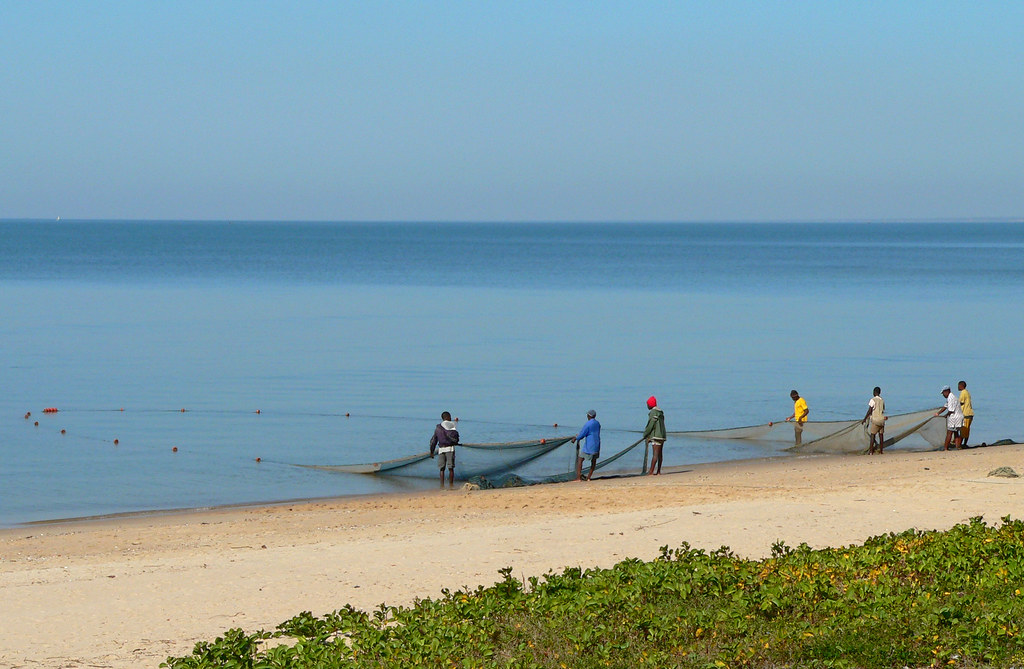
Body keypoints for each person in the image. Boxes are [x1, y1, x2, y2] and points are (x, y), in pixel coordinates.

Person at [429, 411, 460, 488]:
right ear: (448, 417)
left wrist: (432, 452)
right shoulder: (451, 424)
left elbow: (433, 441)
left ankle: (442, 486)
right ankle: (451, 485)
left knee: (442, 469)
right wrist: (456, 421)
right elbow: (455, 434)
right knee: (451, 468)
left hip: (441, 449)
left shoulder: (438, 427)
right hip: (450, 449)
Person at [570, 409, 601, 481]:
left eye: (587, 415)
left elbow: (582, 435)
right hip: (597, 445)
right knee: (593, 461)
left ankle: (578, 478)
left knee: (580, 459)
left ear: (589, 416)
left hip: (589, 446)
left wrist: (575, 438)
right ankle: (589, 477)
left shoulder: (588, 424)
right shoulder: (597, 423)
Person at [642, 396, 666, 475]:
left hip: (656, 436)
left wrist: (645, 434)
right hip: (662, 435)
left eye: (648, 404)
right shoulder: (660, 412)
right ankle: (658, 471)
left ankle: (651, 471)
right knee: (660, 455)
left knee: (655, 454)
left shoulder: (653, 412)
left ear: (651, 405)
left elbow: (651, 425)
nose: (647, 406)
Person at [935, 385, 963, 450]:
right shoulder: (951, 397)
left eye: (943, 393)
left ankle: (945, 448)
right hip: (958, 417)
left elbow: (951, 410)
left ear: (947, 391)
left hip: (954, 417)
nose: (943, 395)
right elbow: (945, 407)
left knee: (949, 432)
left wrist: (946, 415)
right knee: (956, 432)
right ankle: (957, 447)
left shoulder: (950, 398)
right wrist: (938, 413)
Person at [861, 387, 888, 454]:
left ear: (874, 392)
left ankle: (871, 451)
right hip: (882, 420)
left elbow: (870, 410)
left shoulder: (873, 400)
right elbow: (882, 410)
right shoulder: (882, 400)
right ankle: (881, 451)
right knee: (881, 435)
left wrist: (864, 419)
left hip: (875, 420)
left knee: (873, 435)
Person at [958, 381, 974, 447]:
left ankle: (959, 445)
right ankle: (964, 444)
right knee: (967, 430)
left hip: (966, 414)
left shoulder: (963, 393)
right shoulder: (967, 392)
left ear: (961, 386)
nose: (958, 387)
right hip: (969, 414)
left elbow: (961, 402)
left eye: (958, 386)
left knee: (963, 430)